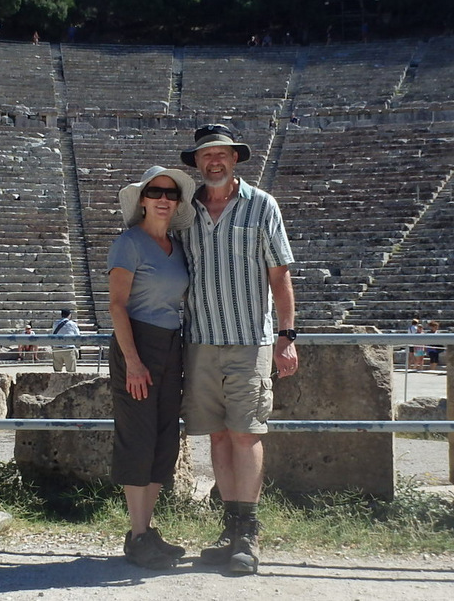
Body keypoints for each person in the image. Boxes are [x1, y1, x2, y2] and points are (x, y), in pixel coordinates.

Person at [178, 123, 298, 575]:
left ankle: (247, 532)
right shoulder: (186, 211)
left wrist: (287, 337)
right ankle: (229, 529)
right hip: (202, 340)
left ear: (235, 159)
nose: (214, 162)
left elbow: (280, 274)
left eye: (222, 154)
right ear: (197, 162)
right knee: (219, 435)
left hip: (250, 340)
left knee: (246, 433)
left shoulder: (262, 205)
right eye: (206, 155)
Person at [107, 164, 196, 570]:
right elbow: (116, 306)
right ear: (142, 199)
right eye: (156, 191)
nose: (164, 198)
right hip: (138, 345)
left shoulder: (177, 246)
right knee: (138, 437)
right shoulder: (129, 243)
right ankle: (137, 534)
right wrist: (133, 362)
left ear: (177, 203)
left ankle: (147, 531)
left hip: (170, 344)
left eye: (171, 193)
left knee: (164, 439)